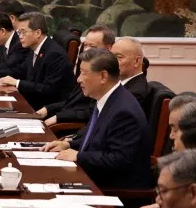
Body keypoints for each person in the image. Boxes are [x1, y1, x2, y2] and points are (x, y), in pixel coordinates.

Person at [42, 48, 152, 189]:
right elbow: (99, 139)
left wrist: (78, 156)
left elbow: (118, 160)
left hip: (111, 189)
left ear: (103, 76)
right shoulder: (108, 98)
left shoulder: (124, 111)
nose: (78, 79)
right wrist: (69, 144)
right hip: (94, 176)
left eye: (83, 73)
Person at [37, 25, 115, 125]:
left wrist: (58, 118)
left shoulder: (105, 75)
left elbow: (91, 112)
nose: (86, 50)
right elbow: (72, 102)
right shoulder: (87, 68)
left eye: (92, 46)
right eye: (85, 45)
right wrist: (48, 109)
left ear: (108, 49)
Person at [0, 12, 75, 108]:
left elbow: (49, 89)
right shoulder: (34, 48)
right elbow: (21, 70)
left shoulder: (54, 54)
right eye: (18, 32)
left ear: (37, 33)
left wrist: (17, 83)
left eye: (23, 32)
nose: (20, 36)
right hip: (33, 101)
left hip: (48, 108)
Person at [112, 37, 150, 110]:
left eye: (118, 57)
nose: (112, 62)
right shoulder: (123, 86)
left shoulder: (134, 94)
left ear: (137, 61)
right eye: (111, 57)